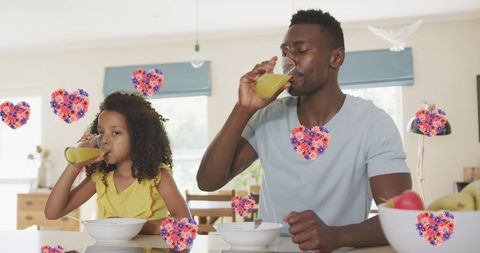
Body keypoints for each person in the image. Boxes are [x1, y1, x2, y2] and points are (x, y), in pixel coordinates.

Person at [196, 9, 411, 252]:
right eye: (285, 52)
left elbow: (400, 218)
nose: (289, 61)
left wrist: (336, 236)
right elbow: (207, 181)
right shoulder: (267, 116)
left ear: (336, 58)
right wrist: (243, 109)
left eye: (300, 50)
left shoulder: (373, 123)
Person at [45, 92, 190, 234]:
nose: (105, 140)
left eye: (116, 133)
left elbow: (184, 222)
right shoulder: (100, 178)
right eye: (101, 133)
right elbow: (52, 213)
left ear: (138, 136)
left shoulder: (158, 176)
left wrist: (135, 227)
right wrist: (75, 164)